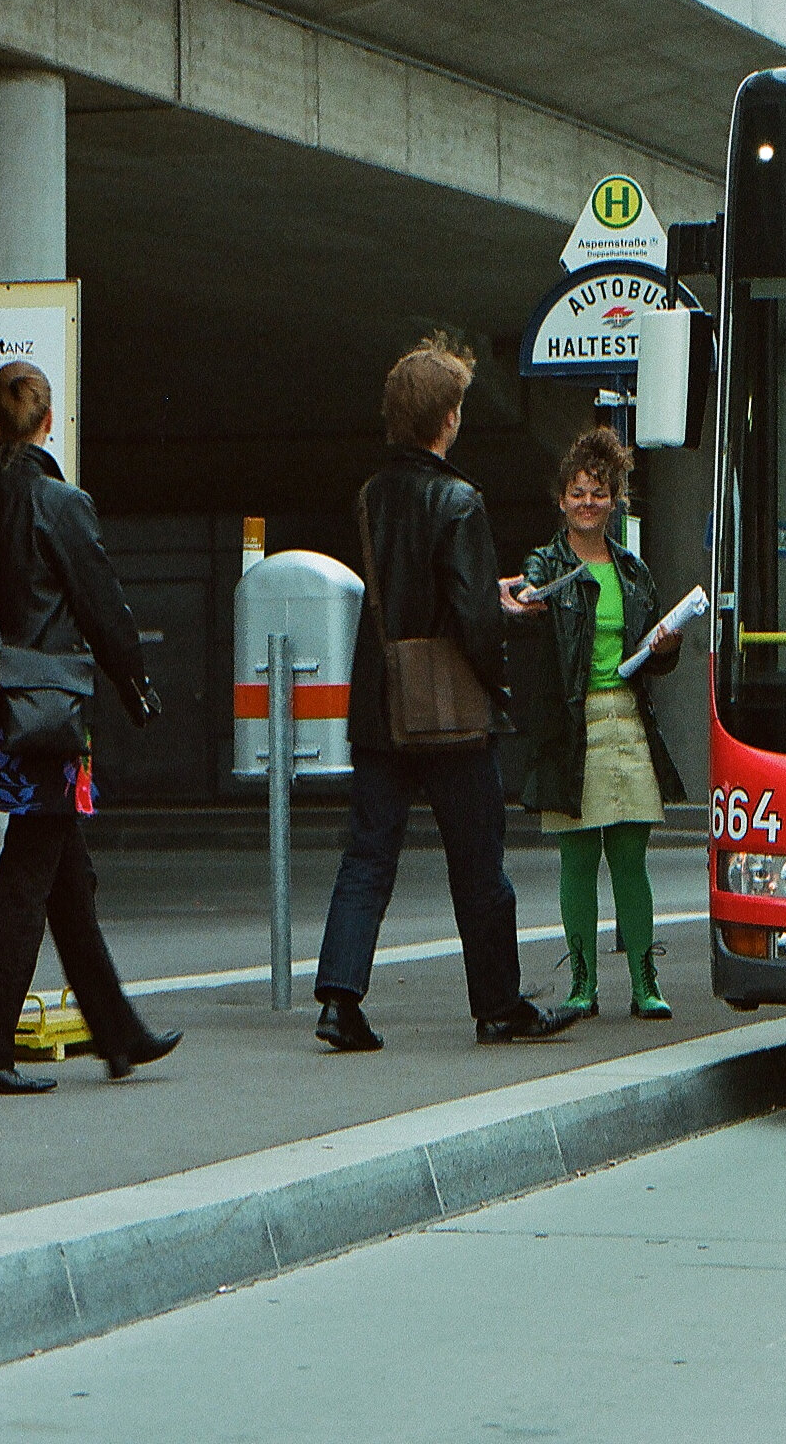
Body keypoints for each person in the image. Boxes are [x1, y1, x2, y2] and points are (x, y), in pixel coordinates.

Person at [314, 337, 582, 1051]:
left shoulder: (372, 495)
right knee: (479, 863)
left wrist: (480, 597)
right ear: (447, 418)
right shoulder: (459, 500)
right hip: (450, 712)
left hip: (383, 704)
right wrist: (507, 623)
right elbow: (469, 618)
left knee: (367, 855)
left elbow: (406, 593)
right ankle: (497, 1006)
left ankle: (339, 1000)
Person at [0, 360, 179, 1096]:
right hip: (48, 717)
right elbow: (102, 605)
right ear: (46, 423)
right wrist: (135, 686)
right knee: (28, 874)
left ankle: (117, 1032)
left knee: (65, 873)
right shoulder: (62, 504)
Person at [502, 429, 688, 1021]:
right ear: (561, 499)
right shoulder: (546, 564)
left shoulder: (632, 570)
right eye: (578, 492)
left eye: (599, 492)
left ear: (615, 501)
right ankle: (582, 983)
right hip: (570, 725)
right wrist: (525, 600)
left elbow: (657, 657)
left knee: (631, 856)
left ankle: (645, 982)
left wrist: (665, 646)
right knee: (577, 858)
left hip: (626, 720)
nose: (588, 502)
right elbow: (525, 600)